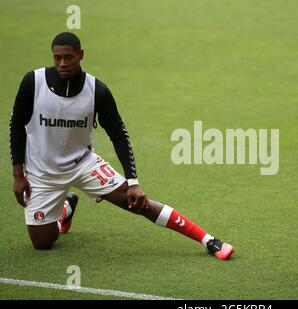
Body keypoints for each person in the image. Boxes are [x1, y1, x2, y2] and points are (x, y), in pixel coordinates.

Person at [9, 32, 234, 260]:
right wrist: (18, 175)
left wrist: (133, 183)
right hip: (42, 172)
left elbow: (119, 135)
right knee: (42, 243)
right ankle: (65, 208)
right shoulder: (33, 82)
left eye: (68, 57)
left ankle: (209, 240)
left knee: (137, 202)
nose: (62, 63)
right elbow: (16, 124)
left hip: (83, 164)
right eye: (57, 58)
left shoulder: (97, 90)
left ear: (81, 55)